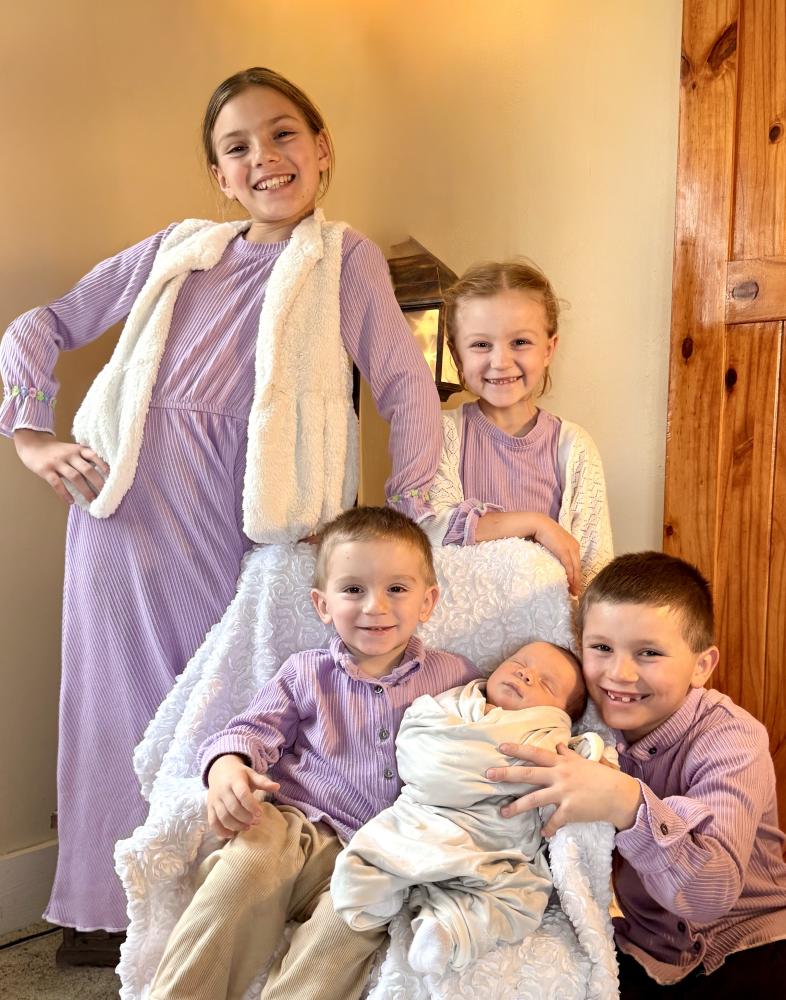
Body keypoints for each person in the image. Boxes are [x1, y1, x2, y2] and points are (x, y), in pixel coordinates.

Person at [0, 67, 443, 938]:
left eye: (282, 134)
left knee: (228, 715)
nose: (263, 157)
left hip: (250, 525)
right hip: (124, 519)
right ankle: (108, 918)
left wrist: (412, 527)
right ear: (219, 175)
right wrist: (31, 436)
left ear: (322, 149)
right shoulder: (177, 247)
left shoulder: (344, 257)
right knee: (113, 717)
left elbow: (406, 387)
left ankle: (208, 922)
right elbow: (41, 325)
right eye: (236, 147)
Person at [147, 507, 479, 1000]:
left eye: (396, 589)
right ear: (323, 604)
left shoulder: (455, 676)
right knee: (242, 871)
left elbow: (489, 737)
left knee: (342, 934)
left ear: (427, 601)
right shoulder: (306, 672)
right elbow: (249, 730)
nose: (375, 607)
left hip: (377, 855)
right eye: (353, 589)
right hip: (295, 825)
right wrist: (228, 768)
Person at [488, 552, 786, 996]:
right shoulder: (587, 731)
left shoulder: (733, 738)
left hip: (751, 941)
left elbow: (710, 895)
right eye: (602, 648)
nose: (618, 674)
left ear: (702, 665)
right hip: (650, 952)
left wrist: (625, 802)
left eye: (648, 653)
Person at [331, 640, 610, 977]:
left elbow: (582, 769)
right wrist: (453, 767)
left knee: (517, 898)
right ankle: (376, 899)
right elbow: (415, 735)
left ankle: (447, 933)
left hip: (493, 842)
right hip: (426, 817)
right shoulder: (451, 704)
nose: (526, 675)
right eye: (519, 663)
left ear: (560, 715)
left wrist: (594, 760)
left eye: (546, 683)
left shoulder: (549, 737)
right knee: (366, 853)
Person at [425, 260, 613, 594]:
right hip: (457, 623)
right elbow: (431, 531)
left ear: (549, 349)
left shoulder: (574, 448)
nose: (500, 362)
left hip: (553, 625)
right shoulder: (440, 435)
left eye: (520, 342)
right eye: (481, 344)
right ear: (456, 353)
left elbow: (593, 574)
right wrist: (535, 524)